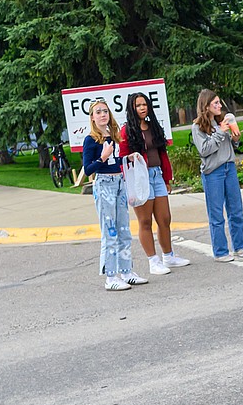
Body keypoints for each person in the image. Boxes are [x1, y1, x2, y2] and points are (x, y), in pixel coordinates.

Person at [120, 92, 191, 275]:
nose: (142, 108)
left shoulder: (153, 126)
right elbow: (121, 158)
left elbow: (162, 154)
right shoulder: (127, 130)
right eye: (138, 105)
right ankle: (153, 261)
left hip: (156, 175)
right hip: (139, 178)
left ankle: (169, 256)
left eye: (145, 104)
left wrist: (167, 178)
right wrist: (130, 159)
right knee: (145, 221)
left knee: (164, 218)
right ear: (132, 108)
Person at [82, 99, 145, 290]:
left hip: (119, 183)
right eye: (98, 112)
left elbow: (115, 161)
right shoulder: (91, 140)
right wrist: (103, 155)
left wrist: (127, 158)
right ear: (92, 118)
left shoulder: (113, 136)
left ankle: (126, 272)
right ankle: (110, 277)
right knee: (110, 231)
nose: (103, 115)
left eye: (105, 111)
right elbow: (88, 169)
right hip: (104, 185)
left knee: (124, 230)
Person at [191, 89, 243, 262]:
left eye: (219, 102)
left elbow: (232, 145)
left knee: (236, 210)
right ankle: (221, 251)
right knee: (216, 214)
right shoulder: (198, 127)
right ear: (206, 106)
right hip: (213, 172)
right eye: (215, 103)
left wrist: (235, 138)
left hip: (229, 167)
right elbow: (204, 150)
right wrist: (220, 133)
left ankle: (239, 246)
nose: (219, 106)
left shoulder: (221, 122)